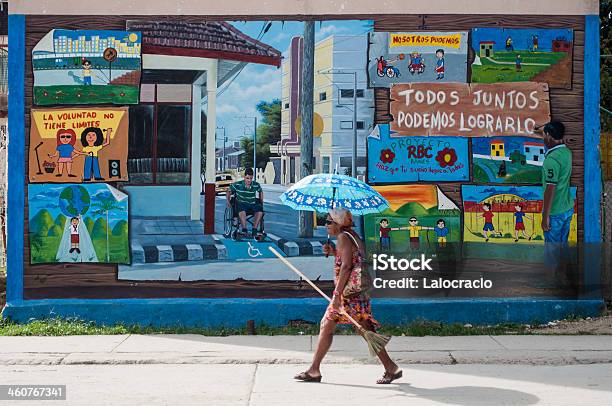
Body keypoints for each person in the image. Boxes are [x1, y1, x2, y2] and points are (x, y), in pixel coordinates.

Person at [294, 208, 401, 384]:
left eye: (329, 222)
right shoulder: (352, 236)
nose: (326, 225)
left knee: (345, 327)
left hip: (347, 295)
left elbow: (346, 267)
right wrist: (334, 251)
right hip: (357, 293)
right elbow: (352, 260)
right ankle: (390, 367)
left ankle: (314, 370)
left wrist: (337, 295)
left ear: (339, 223)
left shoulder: (343, 237)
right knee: (362, 329)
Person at [540, 121, 574, 262]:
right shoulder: (566, 152)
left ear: (548, 135)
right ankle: (563, 277)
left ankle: (552, 281)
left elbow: (550, 188)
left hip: (555, 212)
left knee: (552, 251)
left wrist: (545, 216)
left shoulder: (551, 160)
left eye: (543, 135)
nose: (543, 138)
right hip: (567, 208)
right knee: (562, 246)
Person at [227, 167, 264, 238]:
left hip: (252, 204)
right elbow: (228, 191)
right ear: (244, 177)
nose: (249, 180)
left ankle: (254, 230)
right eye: (247, 178)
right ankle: (244, 229)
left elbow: (260, 191)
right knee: (241, 209)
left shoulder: (256, 185)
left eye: (250, 178)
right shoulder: (237, 184)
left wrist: (261, 201)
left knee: (260, 210)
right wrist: (228, 201)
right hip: (241, 203)